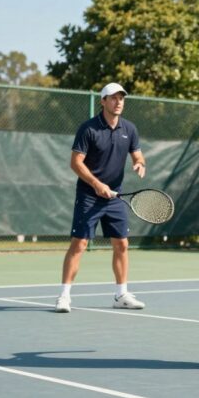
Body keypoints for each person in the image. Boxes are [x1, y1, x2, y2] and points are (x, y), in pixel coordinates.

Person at [55, 82, 147, 313]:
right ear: (103, 101)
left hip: (115, 197)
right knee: (80, 244)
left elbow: (137, 154)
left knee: (122, 244)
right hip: (89, 195)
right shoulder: (89, 129)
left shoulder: (130, 128)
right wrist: (96, 184)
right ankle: (64, 296)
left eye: (121, 98)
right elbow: (75, 163)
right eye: (113, 98)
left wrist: (139, 163)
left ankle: (121, 294)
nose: (118, 102)